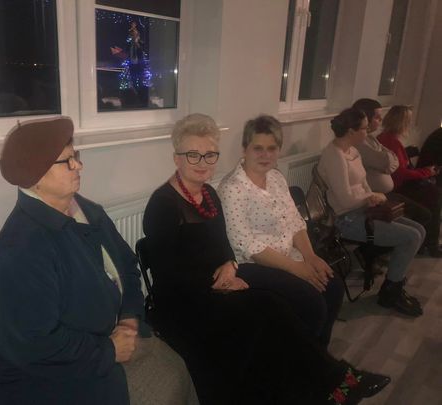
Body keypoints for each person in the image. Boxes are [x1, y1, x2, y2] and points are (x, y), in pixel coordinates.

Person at [143, 113, 390, 405]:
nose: (203, 162)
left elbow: (225, 245)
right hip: (185, 300)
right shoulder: (162, 205)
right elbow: (167, 275)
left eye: (210, 155)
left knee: (274, 310)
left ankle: (321, 384)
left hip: (220, 282)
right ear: (177, 158)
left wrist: (230, 265)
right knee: (268, 307)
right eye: (192, 155)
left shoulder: (208, 194)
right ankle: (336, 382)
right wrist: (219, 284)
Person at [0, 117, 198, 405]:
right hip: (51, 380)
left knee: (176, 368)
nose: (79, 165)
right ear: (35, 177)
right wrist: (109, 350)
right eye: (67, 161)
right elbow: (35, 345)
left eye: (75, 155)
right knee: (165, 388)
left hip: (108, 338)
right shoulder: (20, 251)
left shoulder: (86, 211)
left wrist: (129, 318)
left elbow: (127, 266)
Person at [218, 114, 344, 347]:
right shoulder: (232, 188)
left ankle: (318, 355)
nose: (265, 155)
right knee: (312, 303)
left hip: (289, 257)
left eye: (272, 148)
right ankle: (300, 358)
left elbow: (294, 221)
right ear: (244, 149)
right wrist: (297, 269)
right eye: (258, 148)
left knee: (333, 287)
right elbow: (246, 245)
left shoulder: (276, 178)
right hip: (253, 265)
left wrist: (310, 257)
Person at [317, 108, 424, 317]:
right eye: (364, 129)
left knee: (419, 230)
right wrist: (371, 197)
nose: (367, 132)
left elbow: (364, 184)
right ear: (351, 131)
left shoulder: (352, 151)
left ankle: (394, 282)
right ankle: (390, 292)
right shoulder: (334, 156)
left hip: (364, 210)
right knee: (411, 237)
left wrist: (372, 196)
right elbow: (345, 200)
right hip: (346, 219)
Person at [351, 99, 431, 259]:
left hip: (384, 193)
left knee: (424, 214)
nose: (380, 121)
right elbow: (390, 163)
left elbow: (392, 161)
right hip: (376, 196)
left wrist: (389, 160)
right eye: (377, 117)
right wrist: (425, 172)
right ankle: (370, 252)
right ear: (365, 118)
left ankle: (386, 251)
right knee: (420, 218)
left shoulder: (372, 138)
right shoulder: (361, 143)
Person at [377, 105, 442, 257]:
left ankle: (427, 243)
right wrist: (427, 172)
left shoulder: (387, 138)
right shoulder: (391, 141)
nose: (410, 124)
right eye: (409, 120)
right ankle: (430, 244)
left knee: (432, 194)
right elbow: (401, 173)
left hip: (400, 183)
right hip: (398, 187)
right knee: (433, 196)